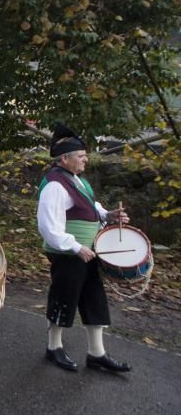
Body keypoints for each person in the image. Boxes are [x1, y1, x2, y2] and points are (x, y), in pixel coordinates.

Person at [38, 123, 131, 374]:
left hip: (87, 252)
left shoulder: (78, 181)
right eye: (81, 157)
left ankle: (96, 353)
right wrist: (75, 247)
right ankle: (53, 348)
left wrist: (109, 215)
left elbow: (91, 207)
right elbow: (49, 227)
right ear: (64, 158)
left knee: (94, 298)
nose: (85, 160)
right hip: (68, 253)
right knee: (64, 297)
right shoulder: (55, 185)